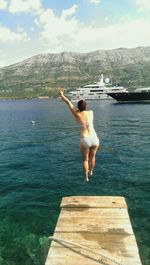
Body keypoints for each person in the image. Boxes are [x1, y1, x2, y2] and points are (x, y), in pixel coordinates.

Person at [58, 89, 99, 181]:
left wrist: (62, 95)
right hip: (95, 138)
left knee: (85, 160)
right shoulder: (91, 112)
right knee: (93, 156)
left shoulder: (77, 114)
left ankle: (86, 177)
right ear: (86, 106)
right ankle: (91, 171)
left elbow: (68, 103)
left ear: (78, 107)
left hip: (85, 139)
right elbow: (84, 107)